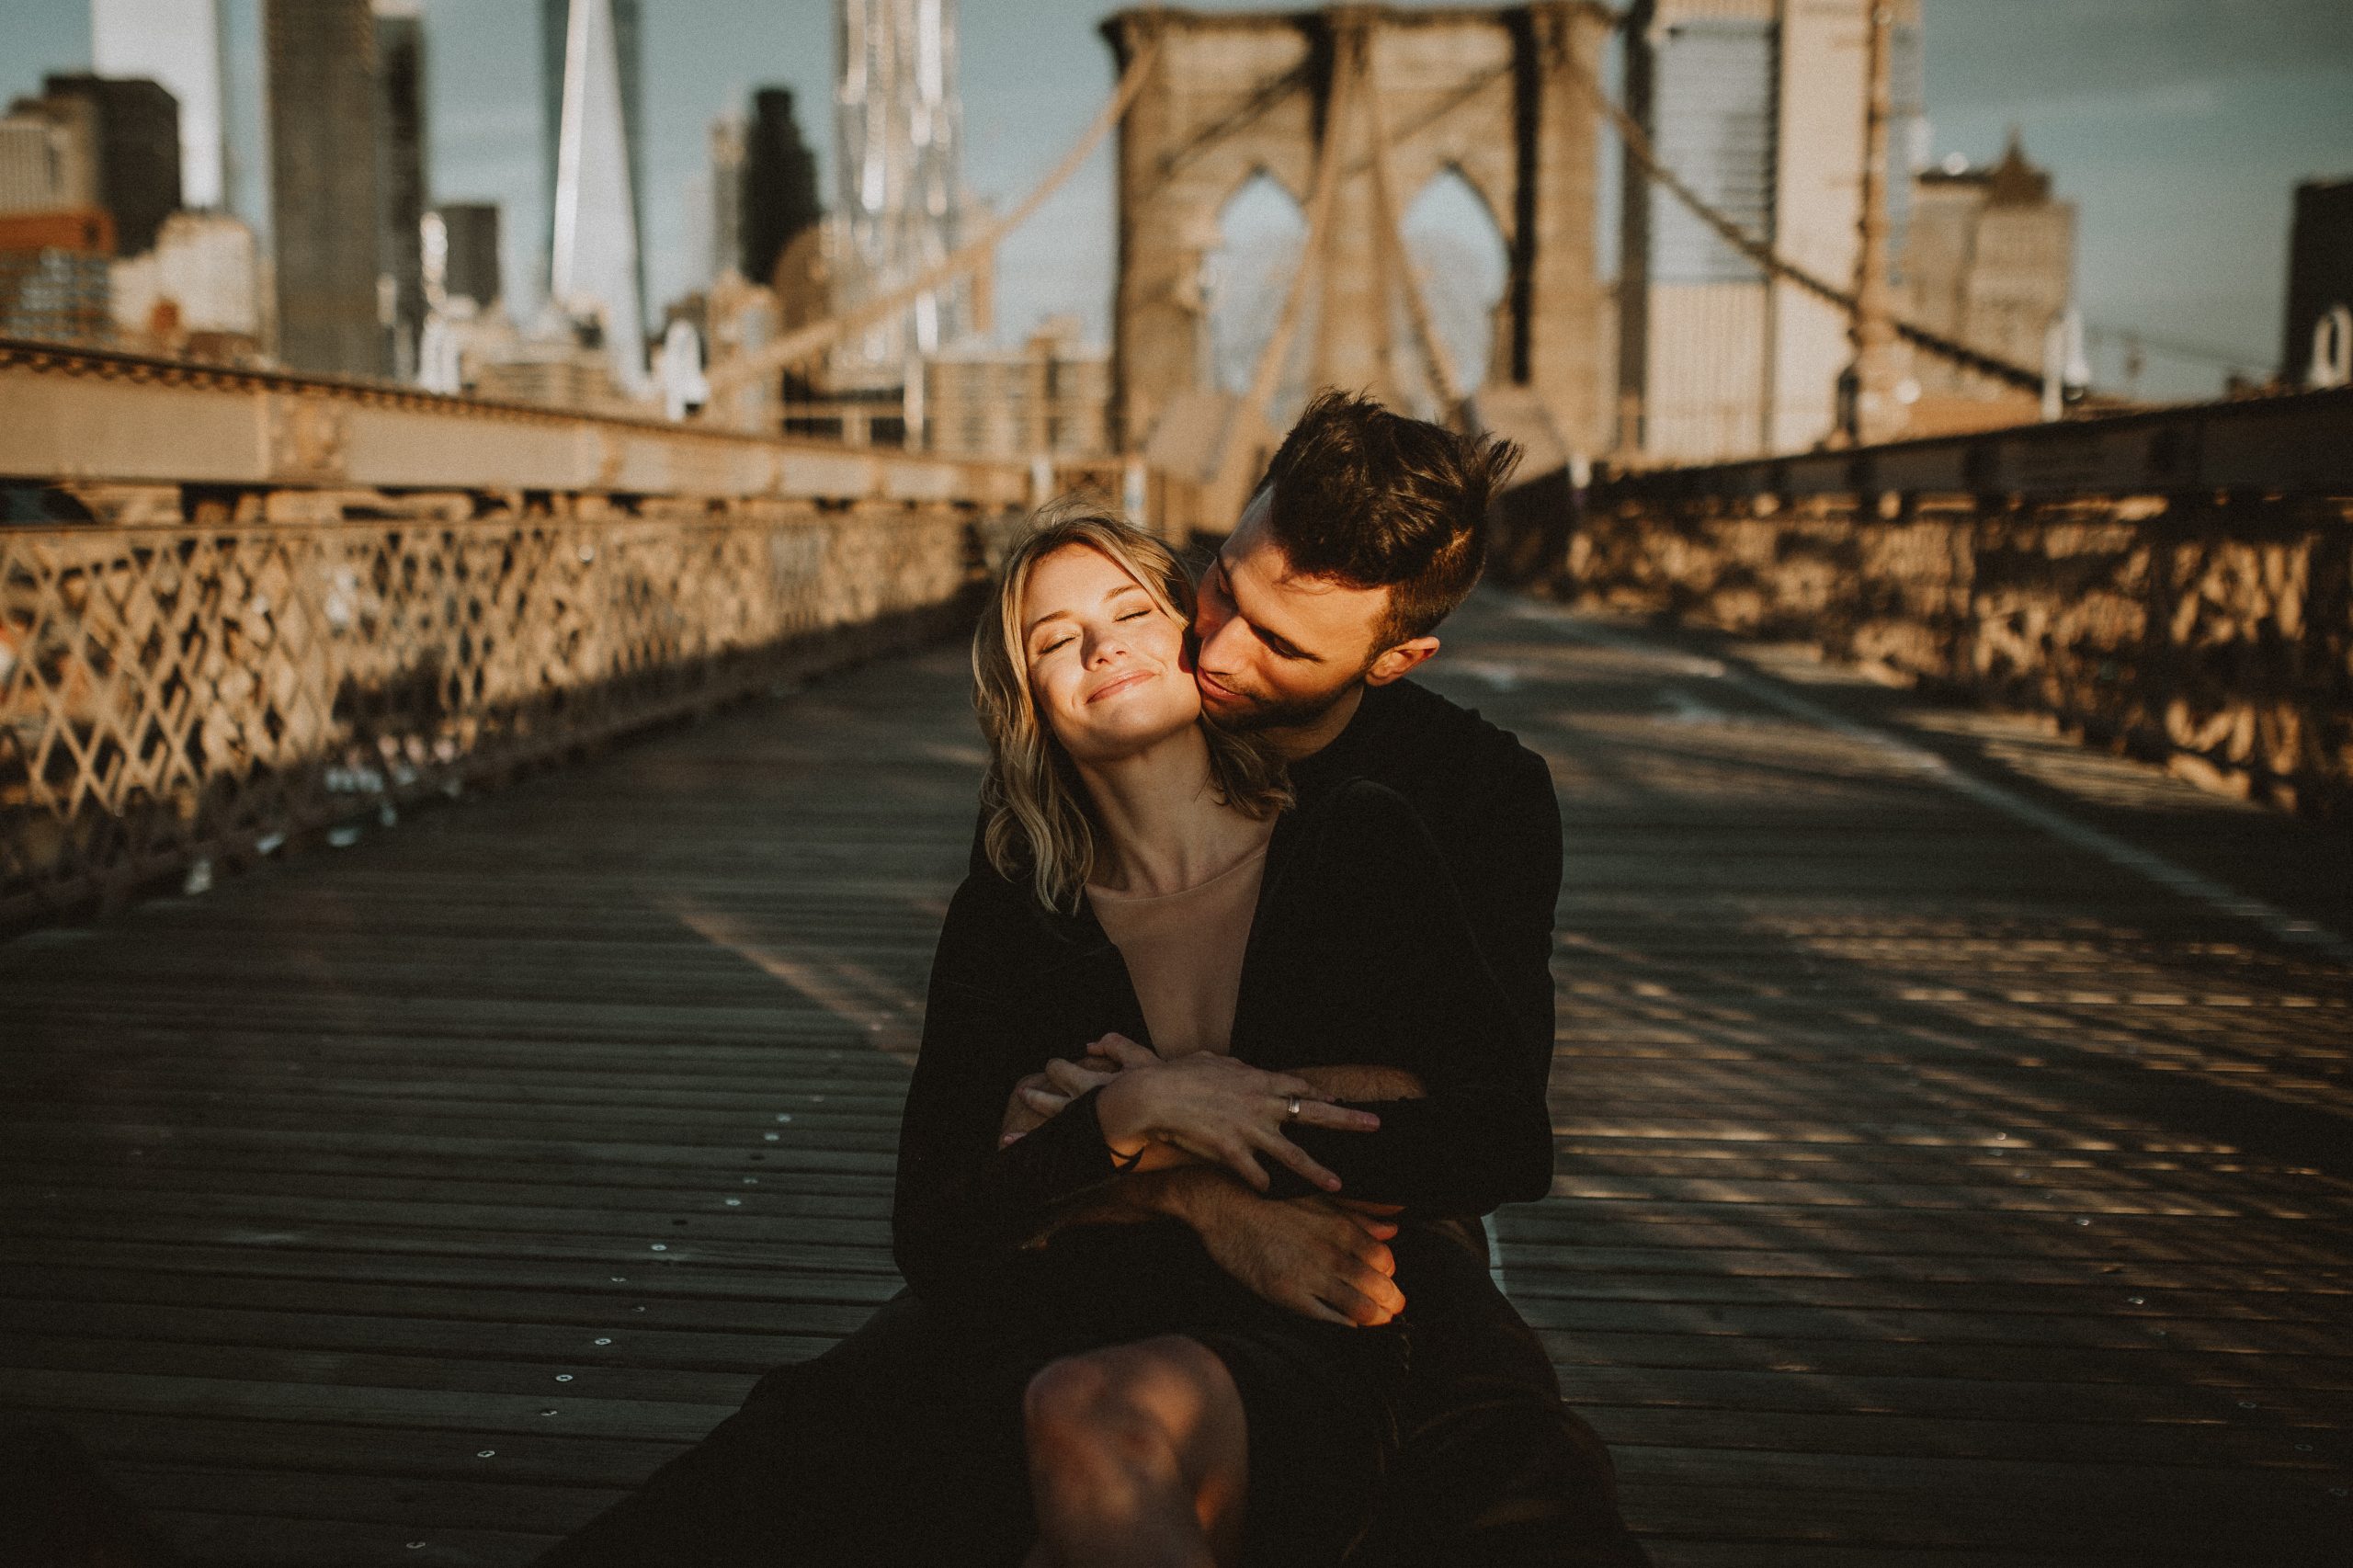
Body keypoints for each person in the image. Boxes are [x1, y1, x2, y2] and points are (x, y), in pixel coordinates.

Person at [539, 393, 1646, 1566]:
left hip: (1362, 1252)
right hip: (1088, 1270)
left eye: (1275, 644)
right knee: (777, 1464)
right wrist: (1166, 1169)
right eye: (1216, 588)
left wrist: (1139, 1115)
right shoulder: (1033, 867)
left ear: (1394, 657)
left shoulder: (1445, 801)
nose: (1213, 652)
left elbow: (1483, 1130)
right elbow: (956, 1194)